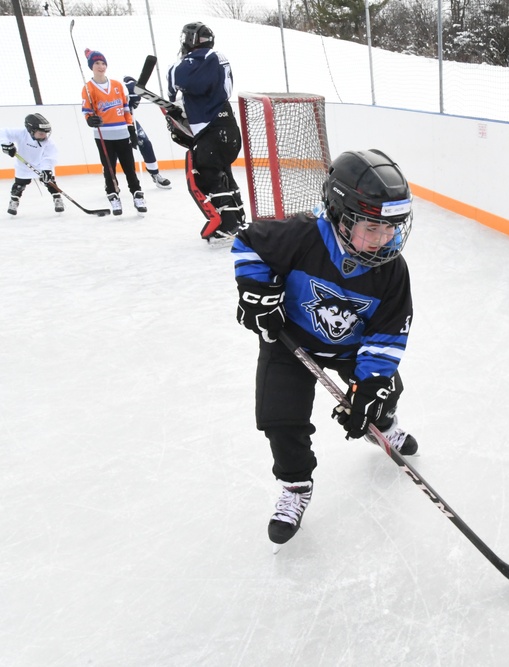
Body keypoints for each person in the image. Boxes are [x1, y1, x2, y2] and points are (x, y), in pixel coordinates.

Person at [232, 149, 418, 549]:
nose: (384, 239)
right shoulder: (302, 235)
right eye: (372, 227)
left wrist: (368, 391)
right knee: (279, 418)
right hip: (291, 340)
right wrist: (256, 293)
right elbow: (250, 244)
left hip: (352, 350)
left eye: (392, 228)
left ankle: (384, 427)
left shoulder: (391, 271)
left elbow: (386, 336)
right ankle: (296, 486)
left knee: (385, 393)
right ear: (339, 213)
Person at [166, 22, 246, 243]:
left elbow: (179, 77)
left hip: (214, 132)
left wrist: (172, 87)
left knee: (205, 177)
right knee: (223, 175)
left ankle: (227, 225)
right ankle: (239, 218)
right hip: (228, 128)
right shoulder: (218, 58)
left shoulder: (203, 57)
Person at [80, 48, 145, 216]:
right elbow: (87, 111)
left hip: (122, 133)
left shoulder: (116, 85)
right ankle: (113, 194)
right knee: (109, 168)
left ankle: (137, 194)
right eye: (97, 63)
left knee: (129, 167)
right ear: (91, 66)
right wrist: (90, 120)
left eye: (103, 63)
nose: (101, 66)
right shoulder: (88, 88)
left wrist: (131, 130)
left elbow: (125, 109)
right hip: (104, 136)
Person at [1, 113, 62, 216]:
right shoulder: (22, 134)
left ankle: (57, 199)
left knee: (50, 182)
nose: (44, 136)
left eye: (46, 133)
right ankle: (14, 201)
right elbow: (2, 133)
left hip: (41, 165)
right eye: (41, 133)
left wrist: (46, 169)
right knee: (19, 185)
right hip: (23, 166)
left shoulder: (48, 142)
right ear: (31, 130)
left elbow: (49, 157)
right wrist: (6, 144)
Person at [123, 75, 173, 190]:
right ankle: (110, 181)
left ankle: (155, 174)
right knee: (114, 151)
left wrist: (134, 99)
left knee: (145, 142)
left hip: (129, 119)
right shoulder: (120, 87)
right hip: (113, 123)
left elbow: (135, 98)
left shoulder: (134, 89)